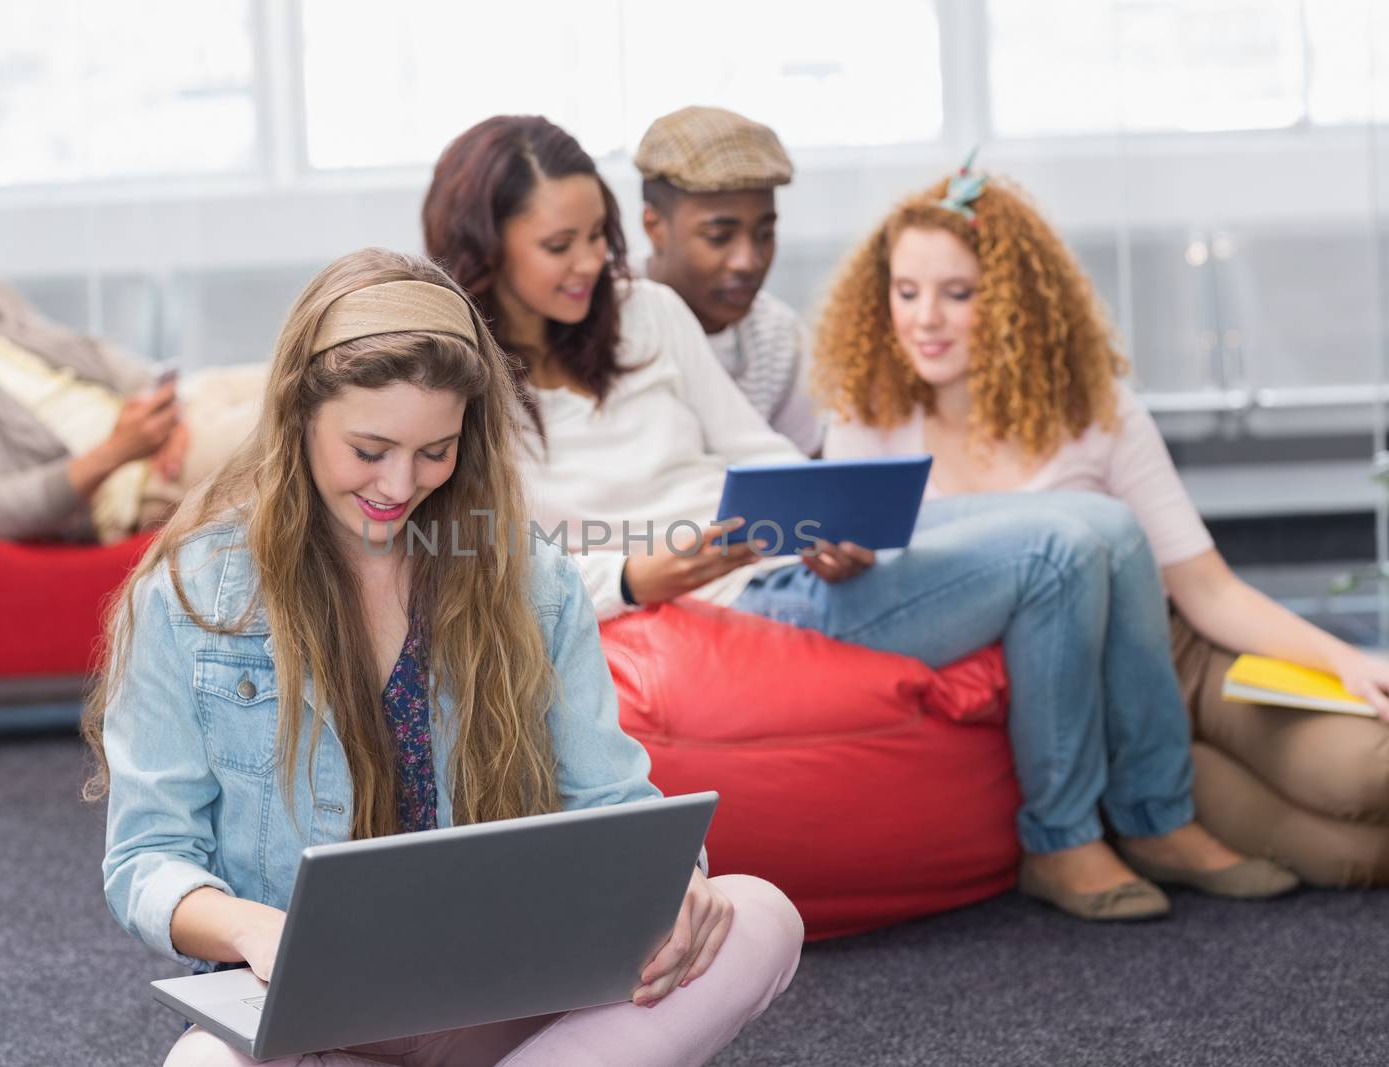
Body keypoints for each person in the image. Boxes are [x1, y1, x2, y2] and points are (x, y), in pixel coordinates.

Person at [423, 114, 1297, 922]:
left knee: (1103, 521)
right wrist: (632, 577)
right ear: (486, 248)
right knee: (1057, 554)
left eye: (596, 239)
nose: (587, 265)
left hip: (773, 556)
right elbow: (489, 564)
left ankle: (1155, 814)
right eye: (557, 245)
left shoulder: (645, 314)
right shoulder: (463, 387)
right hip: (719, 615)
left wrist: (823, 517)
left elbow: (753, 448)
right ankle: (1064, 841)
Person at [85, 247, 803, 1067]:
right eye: (369, 448)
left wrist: (675, 884)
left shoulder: (531, 579)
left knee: (759, 912)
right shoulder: (193, 595)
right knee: (201, 1066)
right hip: (319, 1018)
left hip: (507, 1000)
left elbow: (613, 802)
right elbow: (146, 860)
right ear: (298, 420)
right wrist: (257, 929)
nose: (400, 482)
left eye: (436, 450)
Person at [814, 161, 1389, 886]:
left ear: (1015, 305)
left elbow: (1208, 590)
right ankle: (1161, 799)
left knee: (1372, 774)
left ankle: (1174, 785)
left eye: (957, 294)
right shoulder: (867, 422)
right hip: (1072, 708)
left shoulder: (1095, 410)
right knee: (1360, 857)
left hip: (1178, 656)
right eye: (906, 292)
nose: (925, 318)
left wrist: (1345, 657)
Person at [0, 193, 266, 543]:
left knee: (312, 368)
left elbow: (91, 353)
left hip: (177, 409)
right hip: (135, 480)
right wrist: (120, 449)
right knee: (306, 419)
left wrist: (164, 409)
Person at [635, 106, 822, 454]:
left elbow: (803, 479)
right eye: (719, 237)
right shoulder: (608, 318)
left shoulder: (780, 338)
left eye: (765, 233)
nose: (748, 262)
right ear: (654, 226)